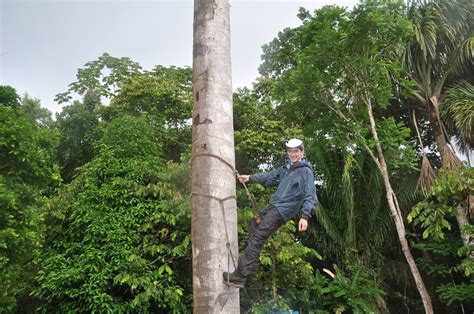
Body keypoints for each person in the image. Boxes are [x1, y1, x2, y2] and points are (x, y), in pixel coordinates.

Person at [223, 138, 318, 287]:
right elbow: (269, 176)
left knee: (258, 237)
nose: (292, 154)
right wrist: (250, 178)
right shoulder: (286, 169)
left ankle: (240, 276)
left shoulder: (305, 172)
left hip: (282, 210)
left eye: (296, 151)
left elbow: (310, 195)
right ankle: (251, 266)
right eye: (290, 151)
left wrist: (304, 216)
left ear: (302, 152)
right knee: (254, 224)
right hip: (274, 206)